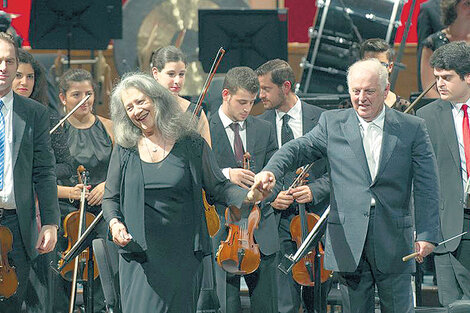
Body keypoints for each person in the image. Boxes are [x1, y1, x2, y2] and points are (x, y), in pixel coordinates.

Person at [252, 58, 440, 313]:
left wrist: (428, 234)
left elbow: (427, 184)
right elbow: (297, 149)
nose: (361, 98)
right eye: (355, 91)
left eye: (369, 91)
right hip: (348, 238)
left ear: (385, 91)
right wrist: (270, 171)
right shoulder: (333, 123)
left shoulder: (412, 128)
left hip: (394, 236)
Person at [102, 72, 248, 313]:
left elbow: (218, 186)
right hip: (140, 256)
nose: (136, 110)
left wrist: (250, 197)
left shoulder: (191, 144)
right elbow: (110, 197)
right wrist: (115, 223)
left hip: (183, 257)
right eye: (129, 107)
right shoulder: (125, 149)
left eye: (141, 101)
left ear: (157, 99)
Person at [256, 59, 330, 313]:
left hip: (316, 219)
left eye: (266, 89)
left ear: (285, 86)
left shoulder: (323, 119)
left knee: (317, 299)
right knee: (284, 303)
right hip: (278, 221)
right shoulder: (260, 124)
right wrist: (272, 198)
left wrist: (315, 189)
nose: (260, 95)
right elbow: (258, 172)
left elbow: (339, 171)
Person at [208, 66, 278, 312]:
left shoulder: (263, 128)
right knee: (227, 306)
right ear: (225, 94)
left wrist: (267, 181)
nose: (247, 109)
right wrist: (227, 173)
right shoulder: (204, 126)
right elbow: (197, 174)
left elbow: (276, 170)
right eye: (241, 102)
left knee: (267, 306)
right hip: (223, 232)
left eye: (251, 102)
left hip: (260, 231)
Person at [0, 32, 60, 312]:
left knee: (13, 303)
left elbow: (45, 170)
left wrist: (50, 221)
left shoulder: (34, 112)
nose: (3, 67)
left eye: (9, 61)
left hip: (16, 225)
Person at [12, 48, 74, 313]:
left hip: (35, 212)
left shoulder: (44, 116)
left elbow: (65, 165)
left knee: (37, 290)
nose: (25, 82)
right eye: (18, 76)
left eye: (30, 77)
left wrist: (32, 170)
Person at [416, 41, 470, 306]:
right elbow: (422, 179)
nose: (439, 84)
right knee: (453, 306)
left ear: (468, 76)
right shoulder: (426, 117)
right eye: (437, 77)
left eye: (447, 77)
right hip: (450, 228)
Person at [58, 68, 114, 312]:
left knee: (102, 282)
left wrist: (107, 185)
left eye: (88, 94)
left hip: (103, 212)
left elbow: (126, 169)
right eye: (76, 94)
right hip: (65, 214)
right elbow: (39, 179)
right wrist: (71, 192)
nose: (84, 100)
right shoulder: (54, 132)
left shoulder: (110, 127)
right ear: (62, 98)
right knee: (62, 282)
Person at [151, 45, 211, 146]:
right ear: (155, 73)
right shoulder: (145, 108)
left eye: (181, 74)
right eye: (171, 74)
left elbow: (206, 156)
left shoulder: (196, 112)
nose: (177, 81)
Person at [340, 38, 412, 113]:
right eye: (370, 64)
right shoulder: (348, 106)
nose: (375, 70)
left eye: (381, 64)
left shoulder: (404, 107)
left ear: (390, 67)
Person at [420, 0, 470, 97]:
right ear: (452, 7)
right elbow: (429, 89)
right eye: (467, 4)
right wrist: (453, 110)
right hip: (444, 106)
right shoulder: (432, 43)